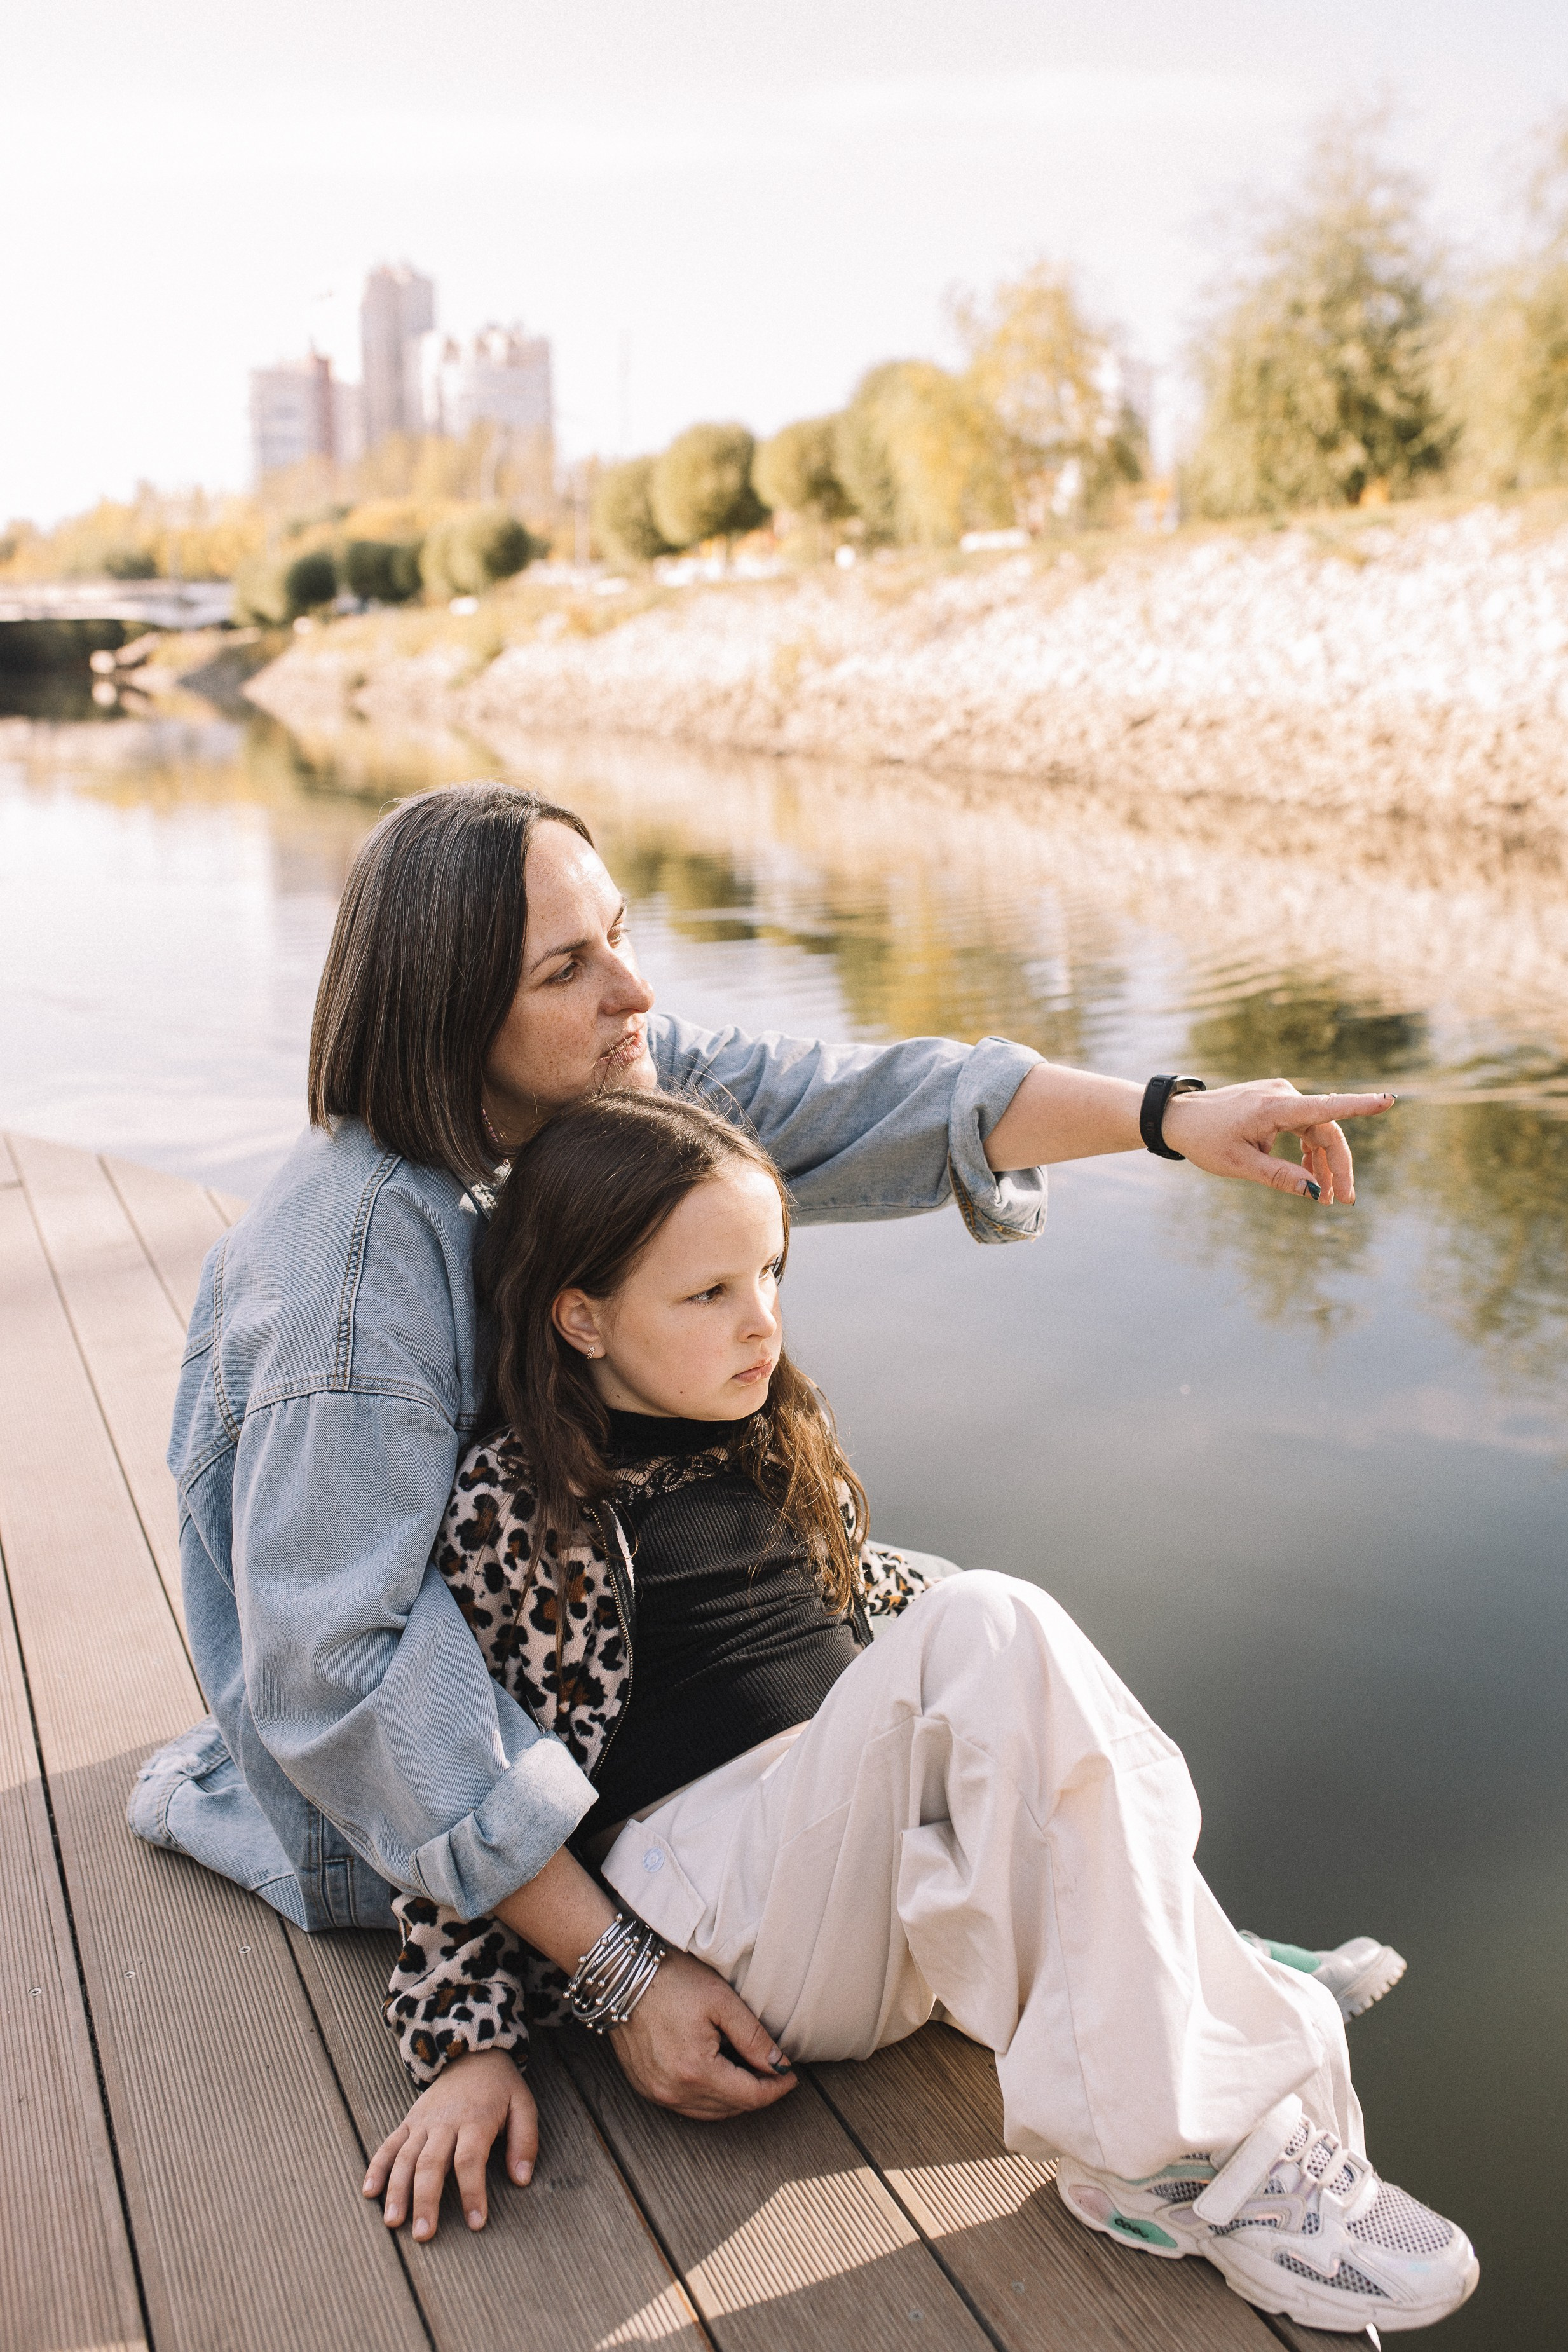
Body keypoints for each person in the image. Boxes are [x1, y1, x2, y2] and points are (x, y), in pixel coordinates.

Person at [128, 783, 1417, 2258]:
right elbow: (344, 1677)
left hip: (630, 1681)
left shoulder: (580, 1093)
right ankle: (1175, 2041)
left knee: (914, 1598)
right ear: (445, 1012)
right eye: (569, 969)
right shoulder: (350, 1265)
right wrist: (613, 1976)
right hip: (455, 1798)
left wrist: (1167, 1116)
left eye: (617, 934)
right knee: (969, 1646)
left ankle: (1162, 1957)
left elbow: (845, 1101)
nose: (636, 990)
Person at [362, 1088, 1475, 2334]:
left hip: (862, 1889)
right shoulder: (519, 1499)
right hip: (717, 1910)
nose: (761, 1319)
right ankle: (1193, 2143)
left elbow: (859, 1613)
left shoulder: (762, 1430)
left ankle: (1172, 1999)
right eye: (708, 1293)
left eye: (771, 1271)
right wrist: (465, 2043)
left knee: (981, 1637)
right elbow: (452, 1770)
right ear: (581, 1313)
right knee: (989, 1619)